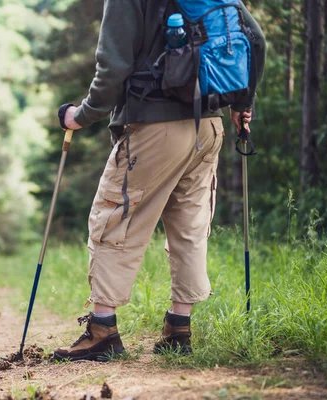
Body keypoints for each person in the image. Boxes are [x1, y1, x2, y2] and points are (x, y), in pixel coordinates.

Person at [52, 0, 266, 362]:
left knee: (115, 218)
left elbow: (113, 66)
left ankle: (102, 331)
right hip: (208, 125)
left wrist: (81, 115)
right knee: (190, 226)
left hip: (154, 126)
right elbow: (255, 39)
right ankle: (178, 330)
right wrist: (242, 102)